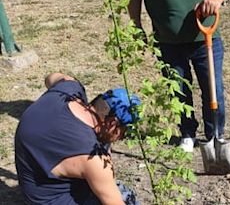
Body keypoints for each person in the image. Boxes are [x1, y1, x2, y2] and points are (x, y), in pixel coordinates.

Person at [128, 0, 230, 152]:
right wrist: (136, 25)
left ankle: (215, 134)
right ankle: (187, 132)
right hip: (166, 39)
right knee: (178, 90)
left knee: (213, 89)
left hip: (205, 35)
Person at [15, 72, 140, 205]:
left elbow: (51, 77)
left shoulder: (68, 90)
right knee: (126, 197)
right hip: (52, 200)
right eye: (124, 132)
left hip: (35, 184)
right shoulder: (92, 158)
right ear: (112, 124)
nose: (122, 138)